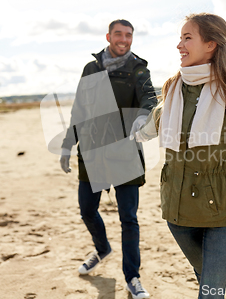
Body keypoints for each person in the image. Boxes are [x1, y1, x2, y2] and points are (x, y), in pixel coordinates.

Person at [134, 13, 226, 299]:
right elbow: (151, 125)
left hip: (222, 213)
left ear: (211, 44)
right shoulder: (173, 88)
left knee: (211, 293)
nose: (179, 45)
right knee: (209, 284)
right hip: (176, 210)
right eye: (180, 38)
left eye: (187, 38)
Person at [60, 19, 156, 299]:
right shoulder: (91, 68)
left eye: (128, 35)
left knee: (129, 218)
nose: (124, 39)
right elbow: (79, 109)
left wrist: (142, 116)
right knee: (87, 210)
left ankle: (133, 277)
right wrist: (67, 145)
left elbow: (150, 97)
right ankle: (102, 249)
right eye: (119, 34)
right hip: (91, 152)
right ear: (108, 36)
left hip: (125, 153)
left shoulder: (138, 68)